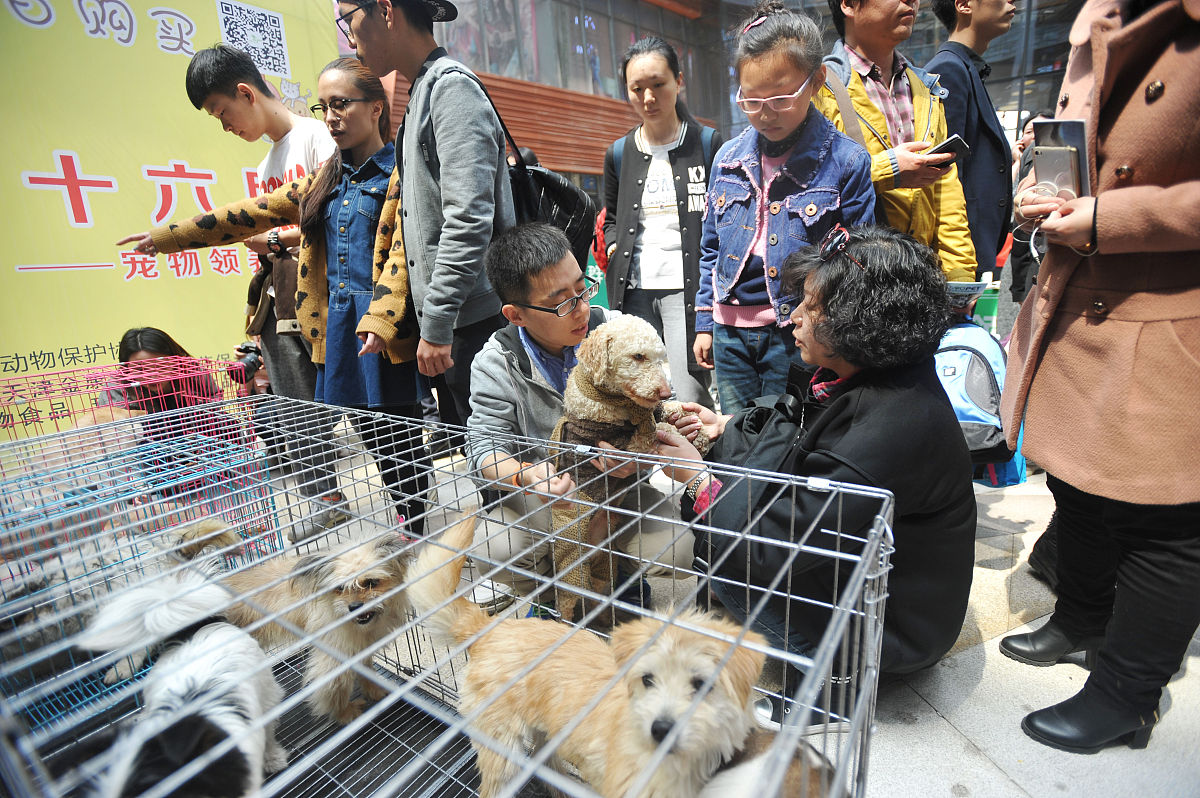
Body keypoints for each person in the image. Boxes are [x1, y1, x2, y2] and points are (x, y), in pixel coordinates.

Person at [658, 225, 976, 718]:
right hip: (873, 584)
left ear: (860, 322)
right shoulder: (878, 374)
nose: (793, 321)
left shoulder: (889, 429)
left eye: (812, 309)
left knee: (730, 567)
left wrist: (696, 479)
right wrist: (724, 428)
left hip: (893, 633)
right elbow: (794, 436)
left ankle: (832, 686)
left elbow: (765, 550)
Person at [998, 0, 1200, 754]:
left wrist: (1108, 218)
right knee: (1074, 483)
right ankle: (1082, 619)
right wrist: (1043, 190)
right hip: (1076, 301)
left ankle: (1126, 696)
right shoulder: (1101, 14)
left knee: (1163, 517)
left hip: (1165, 304)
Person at [117, 59, 432, 536]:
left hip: (382, 331)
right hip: (339, 328)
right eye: (323, 106)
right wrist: (168, 236)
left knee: (400, 436)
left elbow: (402, 259)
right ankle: (404, 519)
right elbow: (245, 215)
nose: (331, 116)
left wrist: (383, 318)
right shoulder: (324, 181)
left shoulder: (400, 176)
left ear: (375, 109)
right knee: (370, 433)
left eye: (342, 104)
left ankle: (418, 522)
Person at [465, 222, 693, 599]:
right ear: (516, 314)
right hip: (548, 496)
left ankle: (619, 577)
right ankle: (553, 595)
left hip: (620, 490)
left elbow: (655, 412)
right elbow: (483, 447)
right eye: (563, 303)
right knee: (497, 550)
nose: (583, 308)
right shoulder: (497, 361)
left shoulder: (617, 331)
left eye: (583, 288)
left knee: (678, 550)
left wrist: (639, 457)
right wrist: (527, 475)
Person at [179, 44, 347, 535]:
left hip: (325, 295)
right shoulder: (268, 165)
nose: (225, 125)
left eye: (222, 112)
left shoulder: (319, 138)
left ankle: (393, 503)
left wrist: (271, 236)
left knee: (347, 403)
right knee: (292, 403)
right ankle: (326, 497)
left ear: (246, 92)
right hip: (281, 294)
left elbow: (335, 220)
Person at [337, 0, 515, 434]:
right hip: (460, 322)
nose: (350, 36)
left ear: (385, 10)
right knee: (489, 464)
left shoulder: (450, 89)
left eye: (348, 18)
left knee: (507, 467)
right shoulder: (423, 90)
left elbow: (469, 219)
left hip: (475, 325)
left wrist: (436, 326)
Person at [695, 2, 876, 413]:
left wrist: (830, 334)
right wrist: (705, 322)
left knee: (789, 437)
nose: (765, 114)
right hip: (729, 331)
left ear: (816, 81)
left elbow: (855, 259)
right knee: (735, 439)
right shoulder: (727, 158)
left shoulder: (846, 162)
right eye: (751, 101)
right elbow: (711, 249)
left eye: (779, 98)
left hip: (797, 331)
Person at [814, 0, 978, 283]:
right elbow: (808, 187)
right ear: (849, 5)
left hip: (920, 276)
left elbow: (946, 190)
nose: (911, 1)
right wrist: (889, 169)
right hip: (854, 279)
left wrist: (959, 275)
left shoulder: (926, 88)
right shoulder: (820, 87)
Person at [601, 37, 724, 410]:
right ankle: (643, 469)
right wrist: (611, 244)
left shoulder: (706, 143)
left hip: (686, 290)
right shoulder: (619, 153)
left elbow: (722, 219)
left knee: (688, 397)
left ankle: (698, 468)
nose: (648, 97)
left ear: (679, 81)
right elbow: (610, 217)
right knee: (636, 398)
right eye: (637, 89)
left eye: (658, 84)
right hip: (633, 290)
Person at [925, 0, 1016, 280]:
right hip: (959, 257)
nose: (1012, 2)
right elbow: (946, 172)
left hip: (970, 252)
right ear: (964, 5)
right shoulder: (949, 69)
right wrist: (957, 268)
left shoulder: (964, 68)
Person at [1007, 109, 1053, 304]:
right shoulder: (1023, 159)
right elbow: (1008, 193)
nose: (1034, 137)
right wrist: (1017, 160)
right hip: (1019, 247)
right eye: (1029, 132)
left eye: (1041, 130)